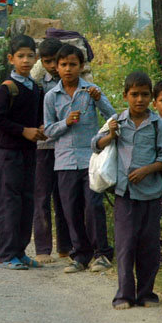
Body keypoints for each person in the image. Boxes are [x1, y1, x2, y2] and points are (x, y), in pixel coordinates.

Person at [92, 71, 162, 309]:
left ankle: (146, 293)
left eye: (145, 95)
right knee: (126, 245)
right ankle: (124, 295)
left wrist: (147, 170)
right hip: (124, 195)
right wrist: (111, 135)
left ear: (151, 97)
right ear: (126, 95)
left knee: (149, 246)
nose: (139, 99)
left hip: (151, 194)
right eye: (134, 94)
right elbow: (95, 145)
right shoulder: (117, 121)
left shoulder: (158, 125)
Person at [43, 44, 115, 273]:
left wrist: (100, 98)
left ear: (81, 67)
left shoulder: (92, 91)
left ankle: (102, 253)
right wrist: (66, 122)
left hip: (90, 159)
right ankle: (80, 255)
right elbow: (48, 131)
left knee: (93, 207)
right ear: (56, 67)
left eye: (73, 64)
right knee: (70, 209)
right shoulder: (51, 96)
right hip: (64, 161)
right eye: (63, 65)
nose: (67, 69)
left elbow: (111, 117)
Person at [0, 35, 44, 270]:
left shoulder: (36, 89)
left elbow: (38, 118)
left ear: (36, 58)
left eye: (30, 56)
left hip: (29, 154)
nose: (25, 60)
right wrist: (23, 131)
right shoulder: (7, 89)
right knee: (8, 204)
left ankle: (21, 252)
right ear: (11, 59)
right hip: (9, 154)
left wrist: (40, 128)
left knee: (27, 202)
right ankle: (6, 254)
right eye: (20, 56)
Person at [30, 38, 72, 262]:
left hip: (64, 146)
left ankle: (65, 247)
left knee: (64, 197)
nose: (52, 67)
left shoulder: (70, 81)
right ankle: (43, 249)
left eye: (55, 62)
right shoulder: (37, 83)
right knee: (42, 197)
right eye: (46, 62)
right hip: (43, 146)